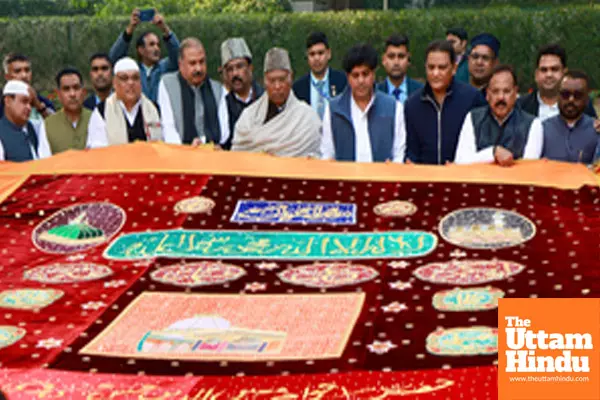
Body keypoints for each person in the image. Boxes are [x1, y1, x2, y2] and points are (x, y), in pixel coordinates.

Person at [405, 40, 486, 165]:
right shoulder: (412, 104)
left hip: (462, 178)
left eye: (442, 67)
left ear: (454, 68)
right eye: (431, 67)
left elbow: (482, 145)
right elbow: (412, 151)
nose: (435, 73)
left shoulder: (472, 98)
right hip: (424, 179)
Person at [322, 43, 405, 162]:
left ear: (374, 74)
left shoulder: (394, 107)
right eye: (355, 75)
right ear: (348, 77)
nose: (361, 81)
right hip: (345, 178)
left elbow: (399, 154)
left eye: (365, 74)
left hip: (383, 178)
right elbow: (327, 154)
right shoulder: (334, 109)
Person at [232, 47, 321, 157]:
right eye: (272, 80)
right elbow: (237, 154)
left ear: (291, 78)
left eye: (282, 79)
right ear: (265, 81)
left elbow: (314, 157)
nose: (277, 86)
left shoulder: (307, 117)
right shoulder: (249, 117)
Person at [455, 65, 543, 166]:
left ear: (515, 93)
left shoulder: (533, 124)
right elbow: (460, 162)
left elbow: (529, 168)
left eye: (506, 91)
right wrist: (493, 153)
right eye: (495, 91)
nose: (501, 97)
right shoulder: (473, 118)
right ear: (487, 94)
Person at [158, 38, 223, 146]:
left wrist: (203, 142)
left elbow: (224, 130)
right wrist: (186, 149)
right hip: (179, 153)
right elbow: (168, 127)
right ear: (180, 64)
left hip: (213, 152)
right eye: (192, 63)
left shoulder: (217, 88)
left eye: (202, 62)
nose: (198, 68)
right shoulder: (167, 84)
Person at [86, 57, 163, 148]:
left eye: (135, 78)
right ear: (114, 83)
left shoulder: (155, 109)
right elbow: (97, 150)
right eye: (124, 78)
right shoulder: (102, 112)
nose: (130, 83)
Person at [109, 8, 180, 102]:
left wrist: (164, 29)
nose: (156, 48)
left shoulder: (165, 67)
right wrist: (129, 30)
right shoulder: (132, 69)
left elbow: (179, 57)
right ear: (141, 50)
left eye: (158, 45)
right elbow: (113, 59)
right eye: (151, 44)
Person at [517, 44, 597, 121]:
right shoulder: (520, 106)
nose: (549, 75)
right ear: (536, 75)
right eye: (544, 70)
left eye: (554, 69)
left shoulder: (582, 105)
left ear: (565, 72)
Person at [542, 70, 599, 164]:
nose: (571, 100)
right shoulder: (542, 129)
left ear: (587, 98)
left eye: (578, 95)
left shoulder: (596, 130)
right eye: (565, 94)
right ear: (557, 96)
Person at [218, 37, 264, 150]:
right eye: (230, 69)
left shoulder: (265, 99)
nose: (235, 74)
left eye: (239, 66)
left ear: (250, 68)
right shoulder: (222, 105)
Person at [292, 32, 347, 119]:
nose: (316, 58)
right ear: (307, 56)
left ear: (328, 54)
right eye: (312, 54)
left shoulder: (342, 81)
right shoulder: (298, 88)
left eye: (320, 53)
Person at [0, 80, 51, 161]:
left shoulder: (35, 128)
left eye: (30, 104)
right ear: (8, 101)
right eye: (24, 101)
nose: (29, 107)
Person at [45, 67, 91, 153]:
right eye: (66, 89)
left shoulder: (95, 119)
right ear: (58, 94)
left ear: (83, 92)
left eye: (76, 88)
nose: (72, 94)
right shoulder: (47, 125)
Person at [1, 53, 55, 120]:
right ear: (7, 77)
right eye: (17, 71)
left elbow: (57, 127)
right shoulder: (2, 102)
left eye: (27, 70)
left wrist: (39, 106)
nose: (24, 75)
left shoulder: (43, 101)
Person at [376, 34, 423, 104]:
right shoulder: (375, 94)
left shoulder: (421, 92)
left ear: (408, 59)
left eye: (401, 56)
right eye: (391, 56)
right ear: (384, 60)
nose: (396, 62)